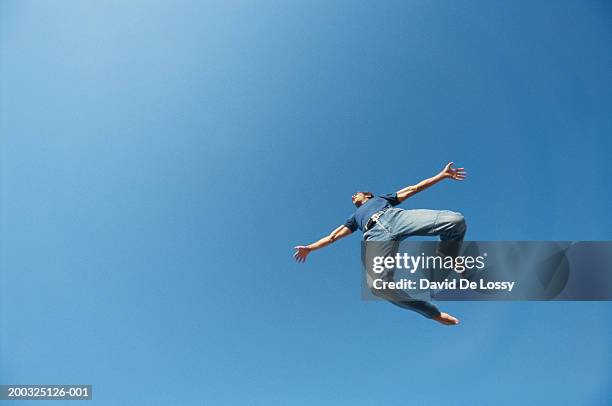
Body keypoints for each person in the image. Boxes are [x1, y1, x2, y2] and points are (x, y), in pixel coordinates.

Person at [293, 162, 467, 325]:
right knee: (378, 285)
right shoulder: (354, 218)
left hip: (395, 217)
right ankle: (432, 313)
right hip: (374, 235)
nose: (353, 196)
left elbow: (413, 189)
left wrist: (441, 175)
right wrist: (310, 248)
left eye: (357, 193)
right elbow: (333, 236)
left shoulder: (382, 199)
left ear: (368, 195)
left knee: (455, 221)